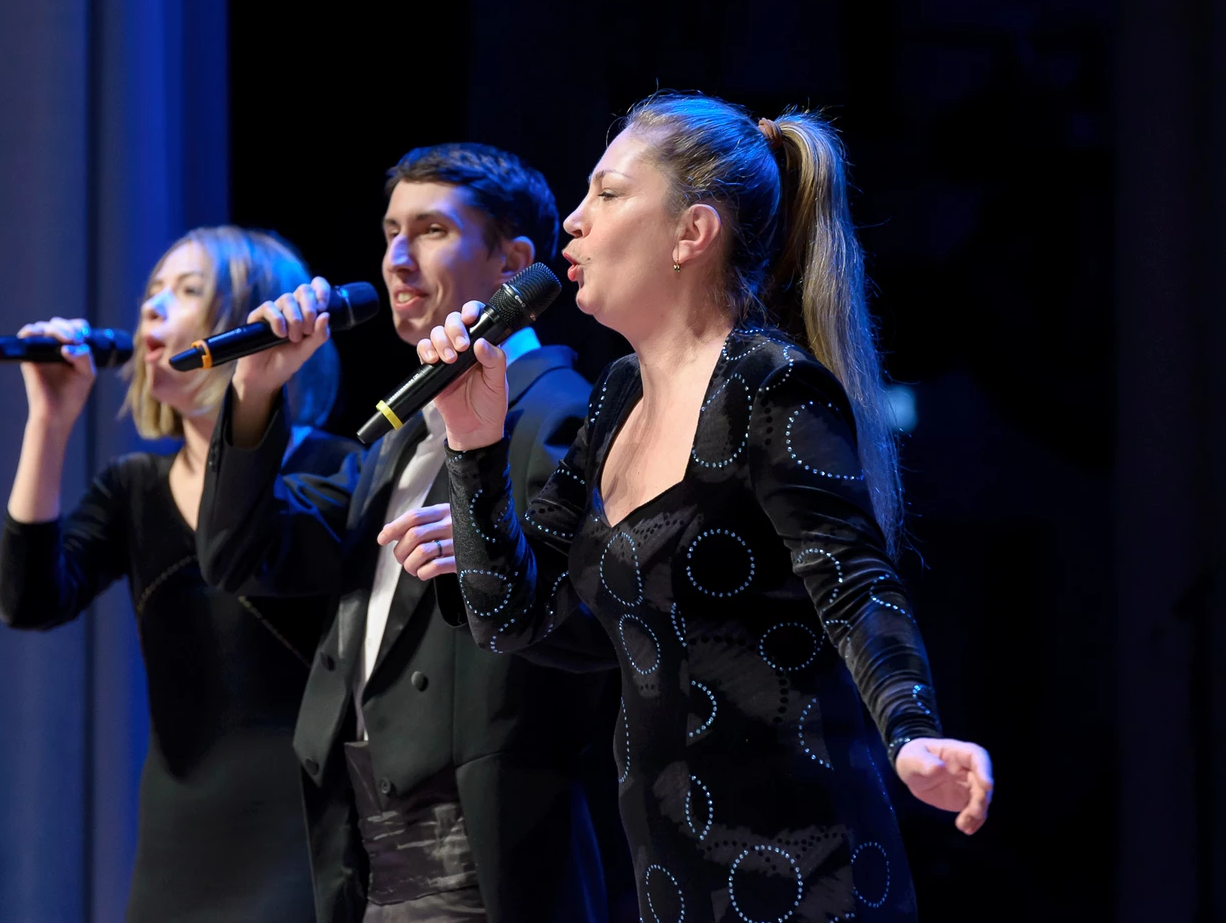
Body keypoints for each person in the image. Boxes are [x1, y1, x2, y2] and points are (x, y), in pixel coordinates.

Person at [387, 94, 995, 921]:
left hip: (805, 867)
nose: (573, 220)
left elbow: (852, 580)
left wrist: (910, 730)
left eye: (608, 193)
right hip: (672, 875)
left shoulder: (766, 383)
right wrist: (472, 445)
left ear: (691, 232)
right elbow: (512, 618)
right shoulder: (616, 399)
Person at [196, 144, 617, 922]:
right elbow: (237, 555)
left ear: (511, 262)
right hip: (364, 849)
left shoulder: (558, 409)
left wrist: (490, 549)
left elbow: (602, 621)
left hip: (482, 851)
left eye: (430, 230)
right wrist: (255, 388)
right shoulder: (398, 434)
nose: (395, 258)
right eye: (390, 232)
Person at [0, 226, 358, 923]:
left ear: (253, 318)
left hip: (309, 833)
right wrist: (50, 420)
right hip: (179, 844)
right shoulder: (133, 488)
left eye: (187, 291)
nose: (151, 308)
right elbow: (27, 599)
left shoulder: (338, 469)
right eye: (152, 291)